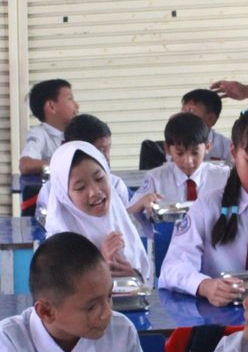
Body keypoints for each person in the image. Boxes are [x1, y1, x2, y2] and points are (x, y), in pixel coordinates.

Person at [0, 232, 163, 352]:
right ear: (46, 311)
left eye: (109, 295)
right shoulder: (9, 344)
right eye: (91, 307)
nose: (107, 313)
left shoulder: (121, 332)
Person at [158, 108, 248, 306]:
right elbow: (173, 267)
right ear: (233, 152)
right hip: (220, 318)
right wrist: (206, 286)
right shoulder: (207, 206)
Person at [45, 141, 152, 284]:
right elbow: (61, 296)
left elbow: (145, 283)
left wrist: (133, 277)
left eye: (99, 178)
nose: (95, 192)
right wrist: (98, 264)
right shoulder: (58, 245)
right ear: (65, 197)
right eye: (80, 187)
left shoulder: (118, 218)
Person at [127, 113, 230, 216]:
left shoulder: (223, 176)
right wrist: (142, 203)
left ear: (207, 147)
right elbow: (126, 215)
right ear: (167, 149)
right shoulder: (155, 178)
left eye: (195, 153)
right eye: (180, 153)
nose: (188, 161)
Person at [35, 113, 130, 217]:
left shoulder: (116, 186)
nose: (106, 158)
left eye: (108, 149)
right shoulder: (50, 192)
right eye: (100, 150)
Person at [19, 78, 79, 175]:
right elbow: (26, 165)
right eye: (70, 99)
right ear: (51, 106)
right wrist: (63, 166)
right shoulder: (39, 133)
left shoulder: (79, 132)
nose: (77, 105)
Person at [181, 89, 231, 162]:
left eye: (191, 112)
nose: (183, 117)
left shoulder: (226, 146)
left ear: (210, 119)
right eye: (183, 111)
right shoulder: (175, 143)